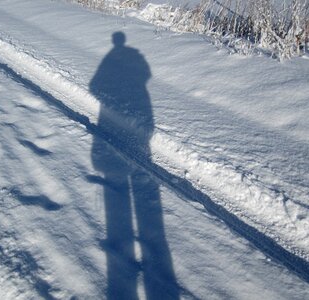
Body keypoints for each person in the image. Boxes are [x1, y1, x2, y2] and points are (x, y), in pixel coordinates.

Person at [89, 32, 179, 299]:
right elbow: (145, 76)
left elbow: (95, 87)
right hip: (142, 114)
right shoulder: (135, 57)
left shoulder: (117, 57)